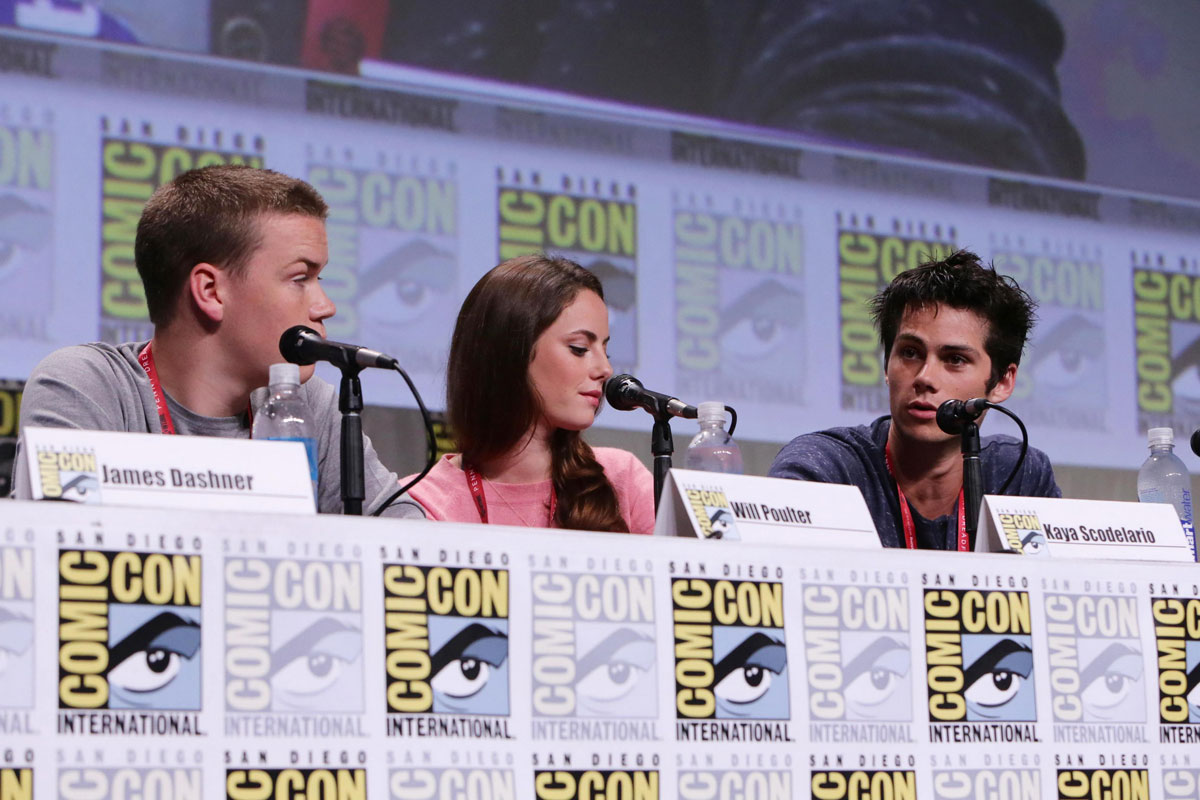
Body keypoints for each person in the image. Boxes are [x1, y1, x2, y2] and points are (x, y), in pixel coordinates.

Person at [11, 165, 422, 518]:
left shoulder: (307, 404)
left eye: (321, 279)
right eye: (300, 278)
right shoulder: (88, 386)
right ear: (210, 291)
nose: (325, 306)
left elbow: (409, 542)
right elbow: (59, 556)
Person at [769, 249, 1060, 549]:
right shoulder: (825, 469)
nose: (924, 377)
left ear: (1002, 382)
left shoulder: (1018, 476)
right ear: (886, 365)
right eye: (910, 353)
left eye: (955, 359)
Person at [404, 254, 655, 533]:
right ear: (511, 352)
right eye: (579, 348)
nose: (605, 369)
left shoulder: (623, 480)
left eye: (606, 351)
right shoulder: (419, 502)